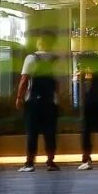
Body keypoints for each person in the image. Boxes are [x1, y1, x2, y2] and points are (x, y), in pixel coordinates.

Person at [16, 33, 59, 172]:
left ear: (38, 44)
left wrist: (19, 97)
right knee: (50, 132)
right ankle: (50, 161)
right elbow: (57, 83)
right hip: (50, 102)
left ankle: (30, 163)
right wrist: (58, 99)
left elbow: (24, 80)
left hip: (33, 101)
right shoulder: (55, 59)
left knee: (32, 132)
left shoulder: (31, 58)